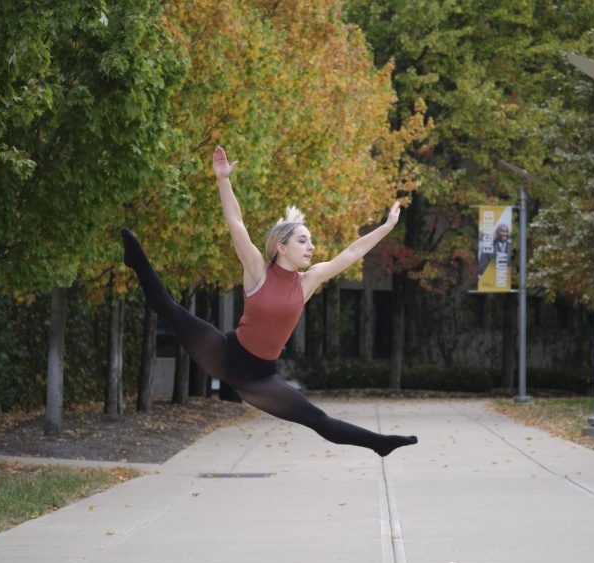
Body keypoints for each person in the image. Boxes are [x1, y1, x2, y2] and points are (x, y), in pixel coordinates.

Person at [121, 147, 417, 457]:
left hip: (260, 377)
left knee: (319, 420)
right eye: (303, 241)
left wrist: (386, 227)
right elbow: (236, 223)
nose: (311, 247)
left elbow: (352, 253)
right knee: (168, 307)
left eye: (311, 241)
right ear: (281, 247)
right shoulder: (257, 271)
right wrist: (223, 180)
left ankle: (379, 444)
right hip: (225, 353)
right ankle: (136, 259)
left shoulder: (308, 281)